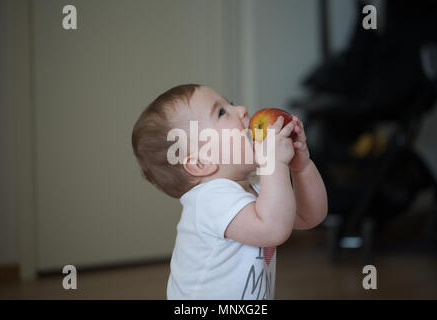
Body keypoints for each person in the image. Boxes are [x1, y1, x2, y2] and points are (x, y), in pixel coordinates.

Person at [131, 84, 328, 299]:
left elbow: (309, 216)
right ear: (201, 163)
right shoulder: (209, 199)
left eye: (230, 103)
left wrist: (301, 167)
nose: (242, 109)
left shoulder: (255, 184)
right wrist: (274, 162)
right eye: (222, 112)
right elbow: (273, 230)